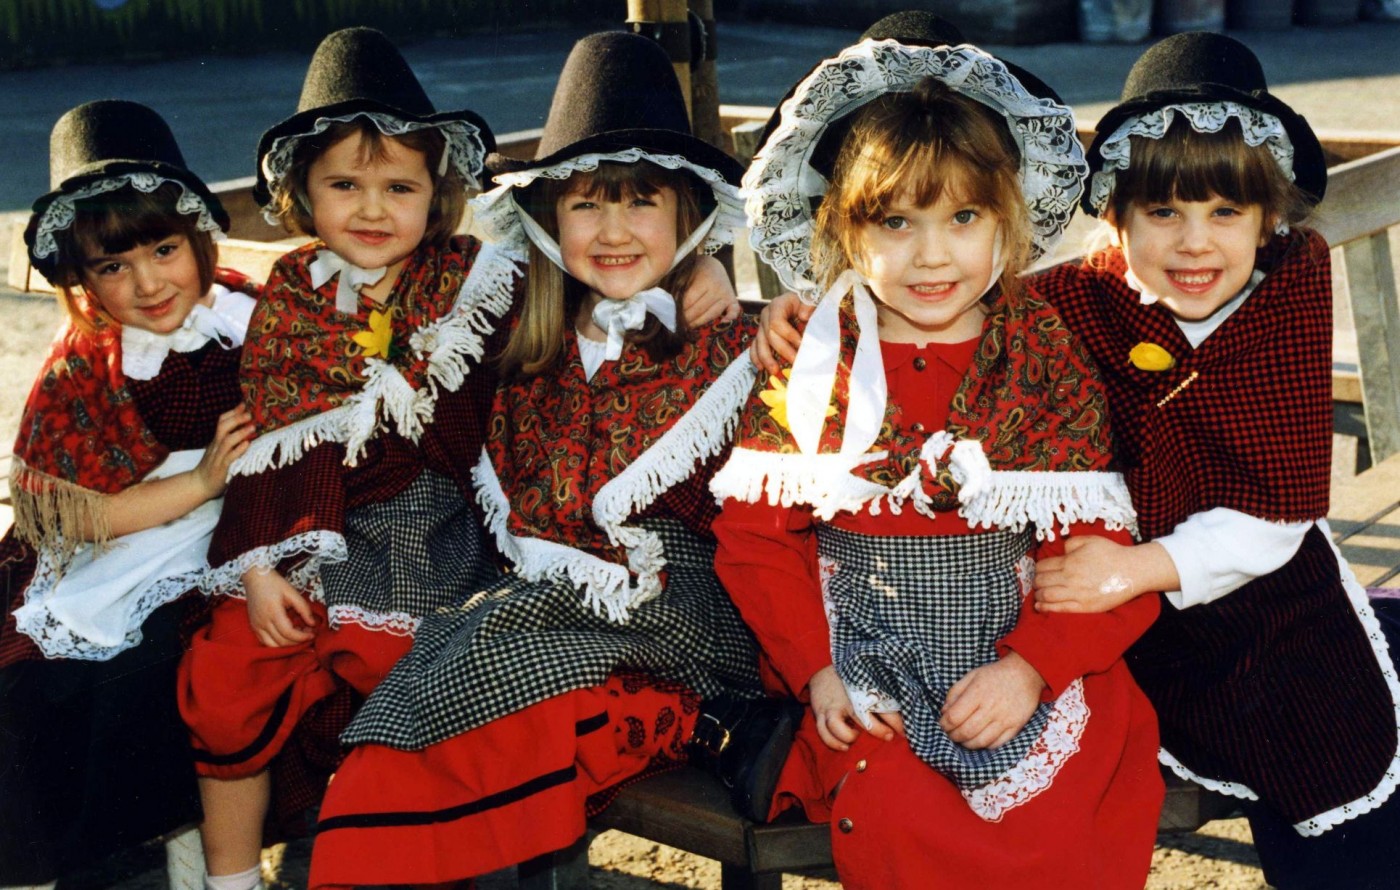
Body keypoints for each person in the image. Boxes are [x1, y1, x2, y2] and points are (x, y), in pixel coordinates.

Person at [305, 31, 774, 888]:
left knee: (497, 673)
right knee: (435, 693)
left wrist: (707, 274)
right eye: (588, 205)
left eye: (643, 205)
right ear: (551, 220)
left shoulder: (730, 348)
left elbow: (760, 524)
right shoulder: (523, 341)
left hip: (684, 608)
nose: (615, 230)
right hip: (548, 601)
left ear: (689, 218)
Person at [710, 13, 1164, 889]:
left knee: (1067, 806)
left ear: (1009, 221)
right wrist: (817, 674)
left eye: (963, 216)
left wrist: (1035, 667)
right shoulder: (820, 366)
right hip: (867, 657)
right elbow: (757, 541)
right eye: (895, 222)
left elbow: (1095, 555)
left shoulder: (1042, 355)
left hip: (1022, 639)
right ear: (845, 231)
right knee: (896, 810)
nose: (932, 256)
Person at [1028, 32, 1400, 890]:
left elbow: (1278, 512)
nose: (1195, 244)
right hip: (1119, 610)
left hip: (1259, 578)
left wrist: (1139, 568)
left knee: (1326, 739)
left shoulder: (1287, 291)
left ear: (1268, 217)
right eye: (1163, 212)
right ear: (1115, 216)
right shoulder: (1069, 302)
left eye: (1225, 213)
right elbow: (940, 309)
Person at [175, 26, 514, 890]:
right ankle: (230, 879)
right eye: (344, 185)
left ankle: (417, 859)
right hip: (299, 533)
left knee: (416, 685)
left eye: (399, 186)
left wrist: (696, 279)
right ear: (301, 193)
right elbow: (266, 440)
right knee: (224, 669)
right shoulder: (293, 292)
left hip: (425, 537)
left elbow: (581, 294)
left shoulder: (471, 277)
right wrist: (256, 568)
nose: (372, 208)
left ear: (435, 193)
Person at [0, 100, 256, 890]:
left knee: (113, 685)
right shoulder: (86, 368)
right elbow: (76, 516)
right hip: (114, 546)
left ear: (198, 239)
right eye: (112, 267)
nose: (147, 283)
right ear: (81, 278)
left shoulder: (252, 317)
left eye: (165, 250)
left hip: (241, 543)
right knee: (20, 685)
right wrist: (201, 479)